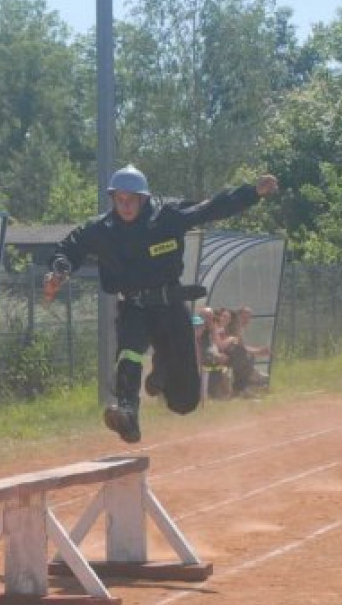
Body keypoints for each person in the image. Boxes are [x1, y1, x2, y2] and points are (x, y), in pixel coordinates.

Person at [44, 165, 279, 443]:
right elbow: (69, 248)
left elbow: (212, 208)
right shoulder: (101, 229)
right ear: (112, 199)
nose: (126, 205)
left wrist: (252, 192)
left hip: (170, 305)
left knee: (184, 402)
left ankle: (164, 369)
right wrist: (59, 272)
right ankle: (127, 413)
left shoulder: (167, 216)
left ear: (144, 198)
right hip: (134, 307)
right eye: (119, 199)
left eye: (132, 199)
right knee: (130, 352)